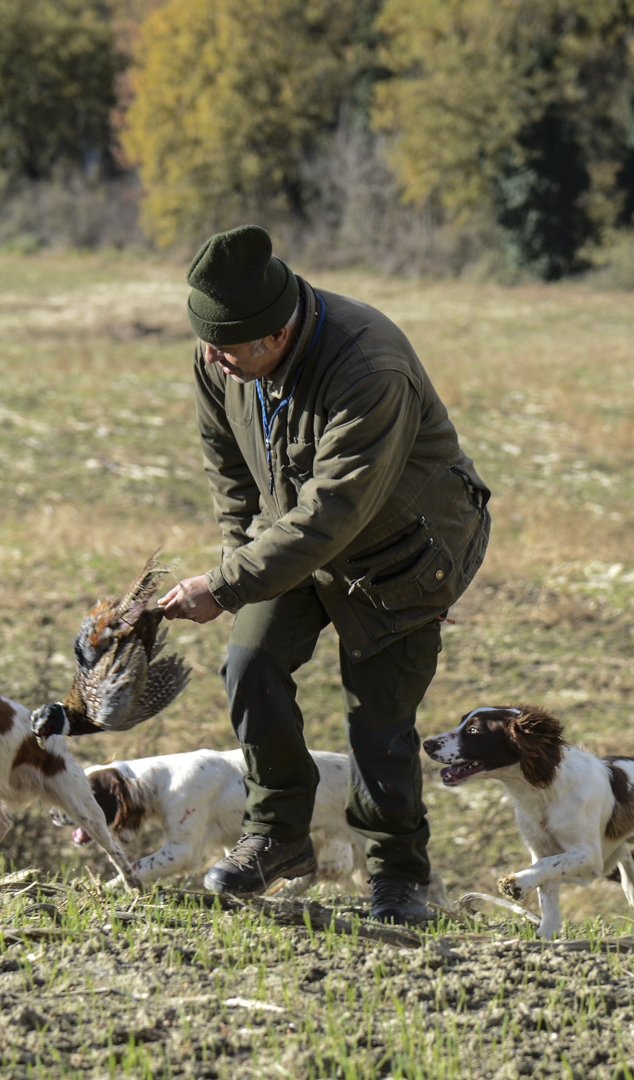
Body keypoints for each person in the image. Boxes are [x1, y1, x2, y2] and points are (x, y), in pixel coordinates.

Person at [159, 225, 490, 926]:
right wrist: (239, 565)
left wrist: (220, 589)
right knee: (250, 662)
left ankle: (398, 877)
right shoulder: (220, 353)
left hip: (402, 550)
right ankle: (278, 836)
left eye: (227, 350)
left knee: (379, 716)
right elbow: (230, 471)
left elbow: (334, 512)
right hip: (295, 537)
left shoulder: (367, 365)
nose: (213, 362)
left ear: (275, 335)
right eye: (209, 346)